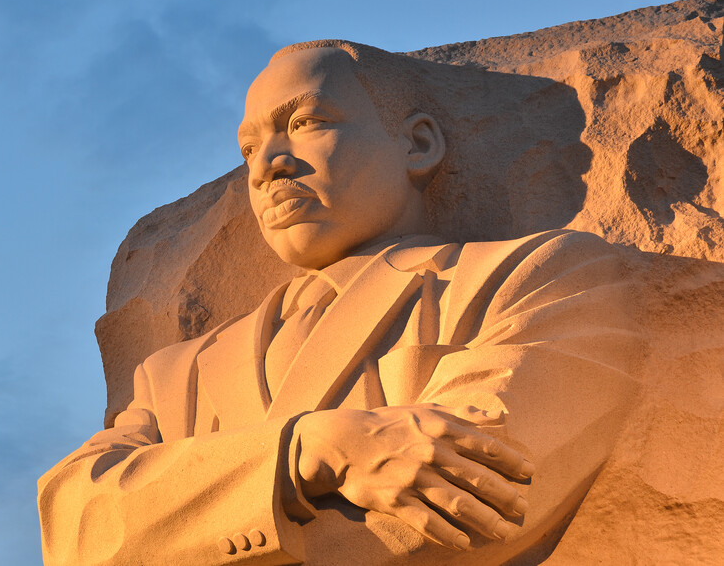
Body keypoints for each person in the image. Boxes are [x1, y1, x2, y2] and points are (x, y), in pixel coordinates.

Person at [38, 40, 638, 565]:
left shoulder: (534, 276)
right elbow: (78, 528)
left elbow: (481, 497)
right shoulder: (176, 376)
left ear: (419, 144)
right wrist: (309, 451)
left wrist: (178, 530)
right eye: (249, 149)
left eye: (306, 122)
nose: (267, 165)